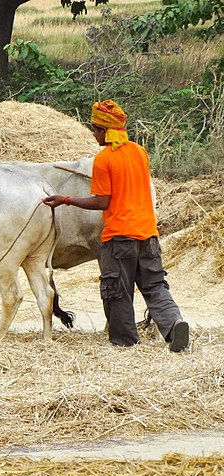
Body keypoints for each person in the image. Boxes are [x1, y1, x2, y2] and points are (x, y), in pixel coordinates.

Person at [43, 100, 189, 352]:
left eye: (97, 129)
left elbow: (103, 201)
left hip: (120, 237)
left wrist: (65, 199)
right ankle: (174, 324)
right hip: (148, 235)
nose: (94, 134)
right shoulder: (139, 152)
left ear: (108, 131)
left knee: (117, 291)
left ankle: (125, 342)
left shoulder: (104, 160)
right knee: (155, 286)